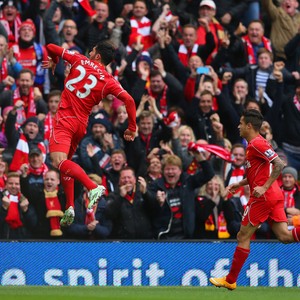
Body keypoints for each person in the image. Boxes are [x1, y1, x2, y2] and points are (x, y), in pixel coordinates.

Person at [42, 40, 137, 227]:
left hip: (65, 121)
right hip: (81, 125)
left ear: (98, 56)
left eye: (92, 50)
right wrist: (131, 127)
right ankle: (69, 206)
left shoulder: (79, 60)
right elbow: (130, 100)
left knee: (57, 162)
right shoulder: (110, 81)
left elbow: (51, 47)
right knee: (66, 164)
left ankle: (92, 186)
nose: (90, 52)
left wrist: (54, 61)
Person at [209, 109, 300, 290]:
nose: (238, 126)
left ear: (249, 126)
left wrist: (264, 187)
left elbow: (279, 164)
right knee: (285, 236)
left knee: (242, 235)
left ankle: (230, 279)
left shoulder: (257, 144)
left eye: (241, 123)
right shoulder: (255, 144)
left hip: (264, 197)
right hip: (274, 196)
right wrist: (241, 183)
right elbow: (258, 173)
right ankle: (231, 279)